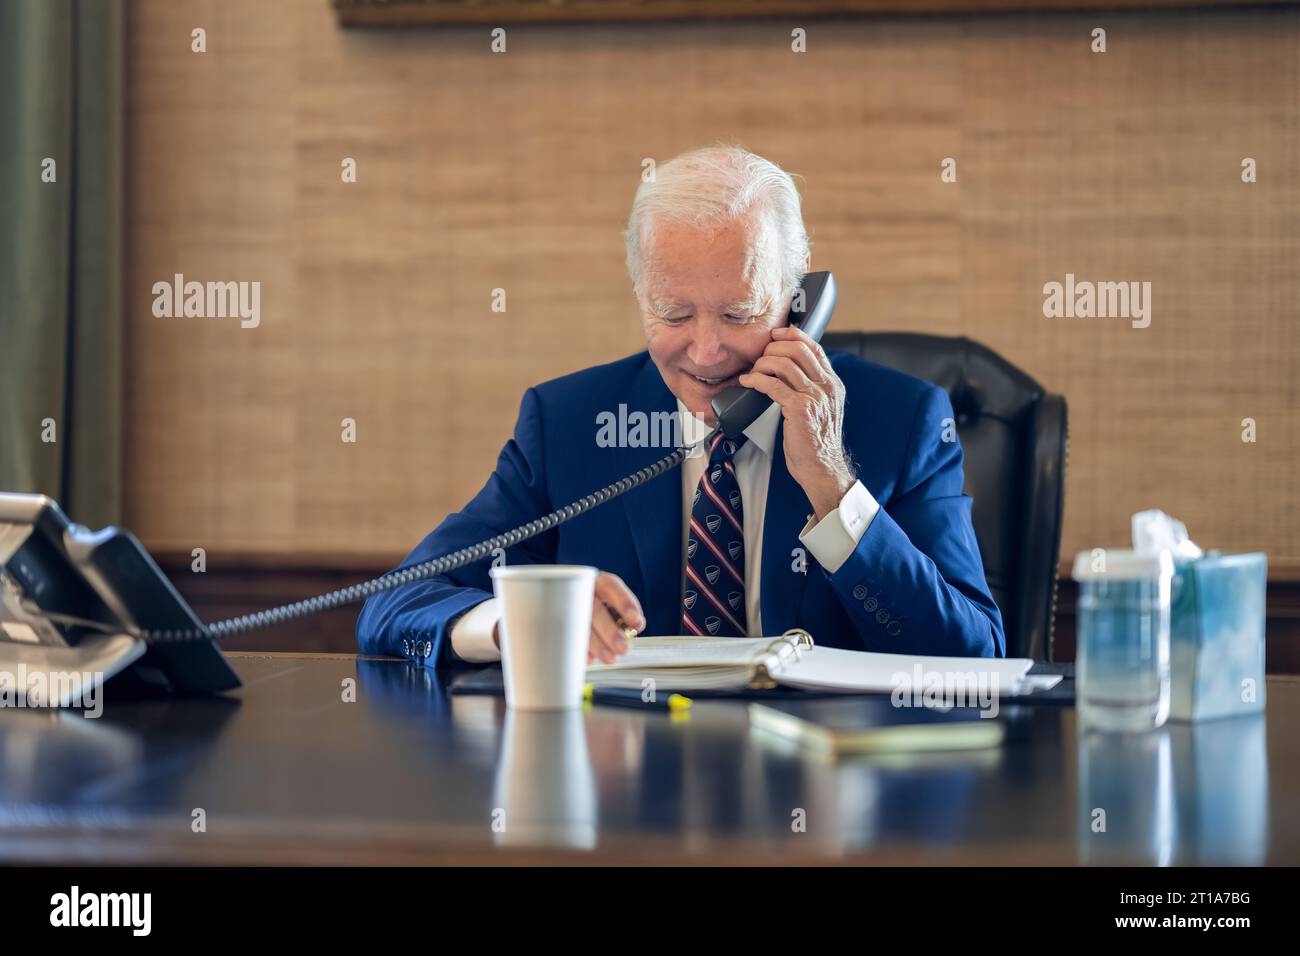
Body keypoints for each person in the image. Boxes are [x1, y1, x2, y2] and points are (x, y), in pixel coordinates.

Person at [356, 145, 1004, 667]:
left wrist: (834, 489)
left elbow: (972, 656)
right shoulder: (570, 425)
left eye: (739, 312)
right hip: (631, 795)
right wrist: (521, 622)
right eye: (672, 312)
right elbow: (394, 604)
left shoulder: (906, 421)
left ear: (797, 293)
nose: (705, 350)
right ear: (638, 290)